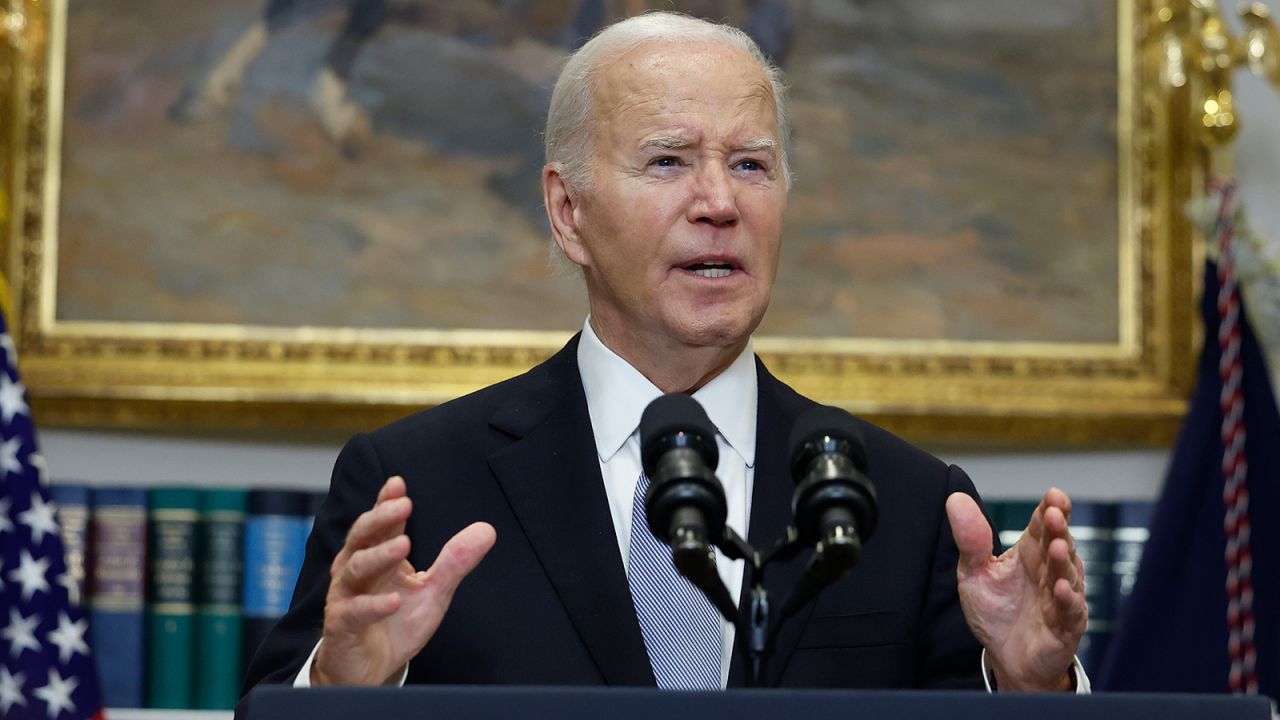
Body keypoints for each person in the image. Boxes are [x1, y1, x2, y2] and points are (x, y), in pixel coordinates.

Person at [238, 11, 1088, 704]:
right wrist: (347, 683)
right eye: (668, 161)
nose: (718, 202)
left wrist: (1026, 682)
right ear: (568, 212)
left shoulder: (906, 502)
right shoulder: (415, 488)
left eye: (751, 165)